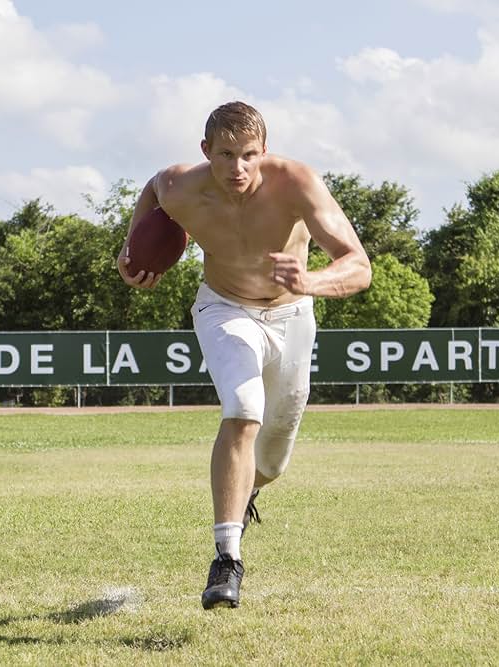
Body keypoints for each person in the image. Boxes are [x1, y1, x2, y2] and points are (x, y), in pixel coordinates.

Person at [117, 101, 371, 609]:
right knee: (242, 409)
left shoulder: (297, 183)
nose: (238, 167)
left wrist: (310, 281)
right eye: (226, 154)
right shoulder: (179, 186)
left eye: (249, 155)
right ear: (205, 150)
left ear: (265, 151)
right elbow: (153, 190)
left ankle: (244, 494)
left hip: (293, 314)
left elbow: (358, 266)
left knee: (272, 460)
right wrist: (133, 249)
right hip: (224, 309)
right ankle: (226, 559)